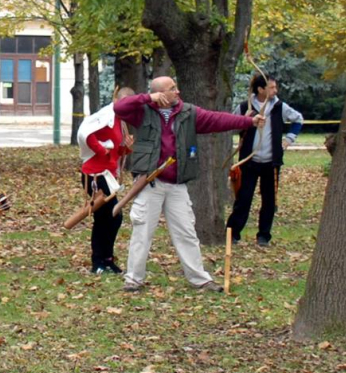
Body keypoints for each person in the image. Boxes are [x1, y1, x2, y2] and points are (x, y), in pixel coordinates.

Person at [114, 76, 266, 293]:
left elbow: (217, 119)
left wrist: (248, 122)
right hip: (150, 183)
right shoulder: (142, 110)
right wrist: (149, 98)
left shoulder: (188, 112)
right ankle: (133, 280)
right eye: (171, 89)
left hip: (176, 184)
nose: (177, 92)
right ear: (159, 93)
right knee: (142, 231)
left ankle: (200, 279)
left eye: (176, 87)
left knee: (186, 232)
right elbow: (119, 107)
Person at [227, 74, 303, 247]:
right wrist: (245, 120)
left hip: (271, 162)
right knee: (243, 199)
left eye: (275, 87)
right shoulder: (245, 106)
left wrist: (288, 140)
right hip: (249, 161)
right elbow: (231, 127)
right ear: (261, 89)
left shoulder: (279, 106)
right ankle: (232, 234)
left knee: (269, 201)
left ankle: (263, 236)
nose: (275, 91)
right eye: (271, 87)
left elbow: (298, 119)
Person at [76, 87, 134, 274]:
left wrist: (125, 149)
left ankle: (106, 258)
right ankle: (99, 260)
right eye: (124, 101)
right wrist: (102, 151)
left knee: (111, 217)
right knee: (108, 216)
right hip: (95, 174)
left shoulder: (120, 121)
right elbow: (87, 134)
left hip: (109, 175)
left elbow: (118, 149)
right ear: (116, 99)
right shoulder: (105, 116)